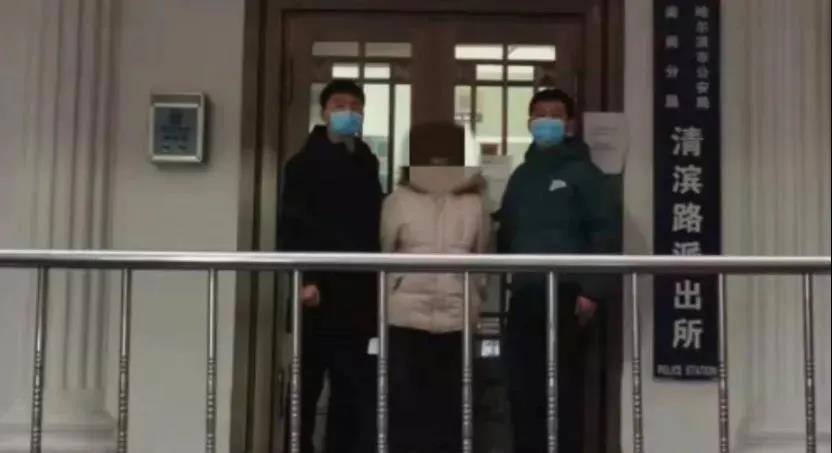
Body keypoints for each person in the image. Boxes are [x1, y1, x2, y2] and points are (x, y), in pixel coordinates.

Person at [496, 89, 617, 453]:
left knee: (563, 391)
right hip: (526, 293)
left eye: (555, 115)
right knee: (522, 389)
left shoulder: (585, 174)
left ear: (569, 125)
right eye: (539, 115)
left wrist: (592, 291)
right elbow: (508, 230)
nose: (546, 121)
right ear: (529, 123)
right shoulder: (522, 175)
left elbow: (605, 232)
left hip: (568, 295)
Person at [277, 79, 383, 453]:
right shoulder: (303, 164)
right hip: (317, 292)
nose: (348, 113)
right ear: (323, 112)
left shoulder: (366, 160)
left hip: (359, 291)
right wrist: (304, 279)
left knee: (352, 386)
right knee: (306, 385)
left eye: (355, 106)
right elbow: (291, 227)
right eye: (339, 105)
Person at [380, 122, 490, 453]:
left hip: (457, 313)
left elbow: (483, 255)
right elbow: (385, 252)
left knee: (453, 403)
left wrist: (474, 296)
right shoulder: (398, 200)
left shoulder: (475, 203)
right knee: (405, 401)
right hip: (405, 316)